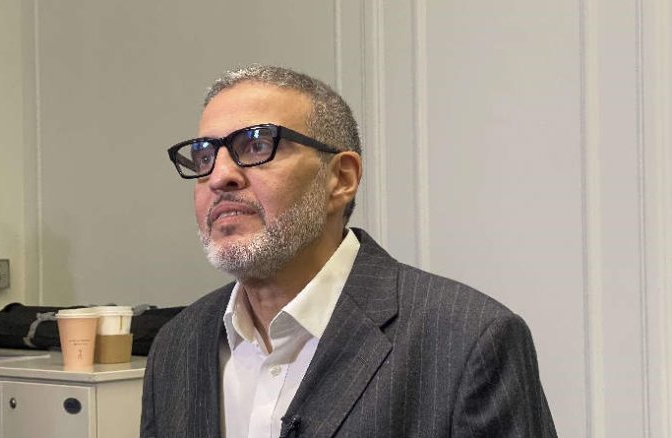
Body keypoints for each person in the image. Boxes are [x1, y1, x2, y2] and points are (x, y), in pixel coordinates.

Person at [140, 65, 557, 438]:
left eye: (257, 144)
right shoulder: (178, 345)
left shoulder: (468, 340)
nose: (220, 176)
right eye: (204, 156)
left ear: (341, 178)